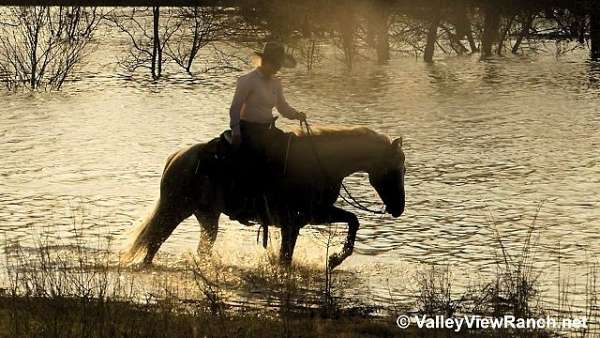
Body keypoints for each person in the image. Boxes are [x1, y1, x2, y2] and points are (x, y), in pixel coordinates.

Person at [227, 41, 306, 224]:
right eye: (275, 64)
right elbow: (235, 108)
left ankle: (280, 200)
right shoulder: (247, 80)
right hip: (249, 130)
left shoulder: (276, 83)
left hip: (268, 130)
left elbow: (283, 108)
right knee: (255, 163)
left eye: (279, 65)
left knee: (291, 153)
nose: (277, 69)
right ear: (264, 61)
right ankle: (245, 206)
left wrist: (297, 115)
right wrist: (236, 131)